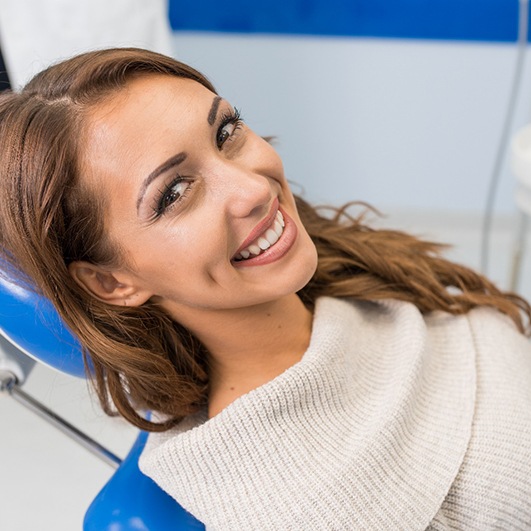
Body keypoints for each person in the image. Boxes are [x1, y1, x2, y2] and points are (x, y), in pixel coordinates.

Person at [0, 48, 530, 530]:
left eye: (226, 132)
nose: (255, 188)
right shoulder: (296, 506)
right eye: (176, 193)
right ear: (113, 280)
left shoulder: (359, 273)